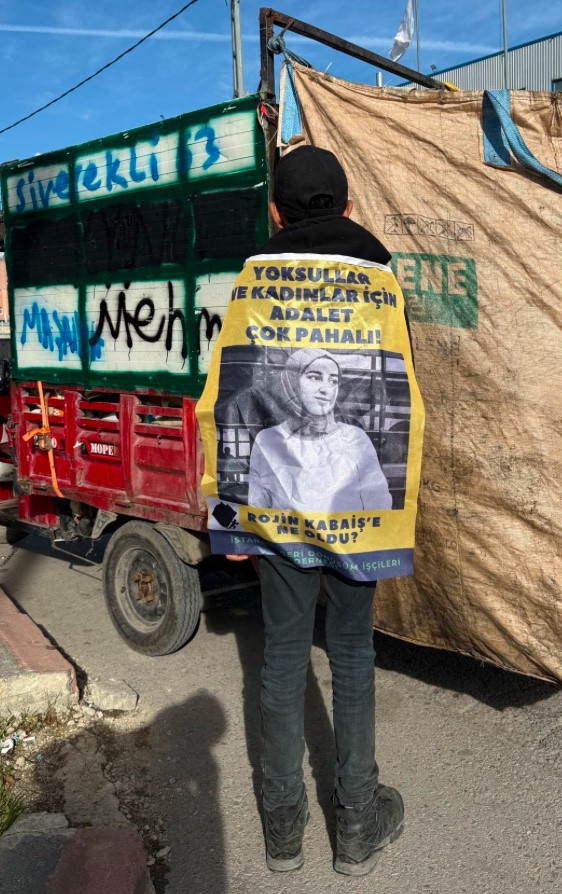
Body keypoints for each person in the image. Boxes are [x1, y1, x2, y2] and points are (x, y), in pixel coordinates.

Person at [243, 145, 407, 876]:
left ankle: (283, 834)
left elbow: (235, 387)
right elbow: (406, 378)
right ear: (348, 206)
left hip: (279, 512)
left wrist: (240, 510)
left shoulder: (256, 275)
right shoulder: (380, 272)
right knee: (352, 655)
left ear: (276, 213)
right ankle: (357, 824)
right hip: (357, 521)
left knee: (282, 655)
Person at [247, 347, 393, 512]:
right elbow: (258, 507)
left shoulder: (355, 437)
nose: (325, 389)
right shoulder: (268, 439)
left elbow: (379, 504)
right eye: (314, 377)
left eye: (333, 381)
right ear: (292, 381)